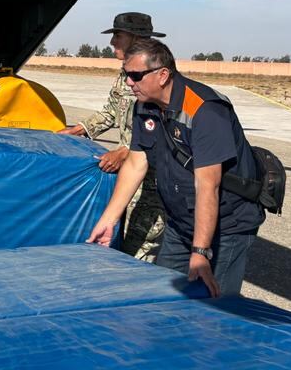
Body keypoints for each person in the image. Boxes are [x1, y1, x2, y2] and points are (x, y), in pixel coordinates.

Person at [86, 38, 265, 297]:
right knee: (163, 297)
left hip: (226, 228)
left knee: (214, 308)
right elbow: (136, 164)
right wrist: (108, 220)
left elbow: (208, 185)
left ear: (162, 75)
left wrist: (200, 252)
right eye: (126, 75)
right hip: (181, 224)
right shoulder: (144, 106)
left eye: (135, 76)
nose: (129, 83)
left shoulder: (204, 110)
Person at [58, 12, 166, 262]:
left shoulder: (156, 76)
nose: (112, 42)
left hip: (151, 182)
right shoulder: (126, 73)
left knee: (139, 248)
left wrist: (125, 151)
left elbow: (164, 126)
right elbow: (111, 111)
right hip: (127, 176)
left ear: (137, 39)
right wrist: (79, 130)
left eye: (118, 35)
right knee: (118, 241)